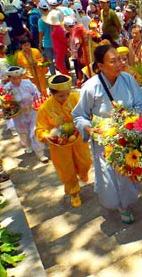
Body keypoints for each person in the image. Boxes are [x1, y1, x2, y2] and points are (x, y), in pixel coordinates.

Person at [72, 45, 142, 223]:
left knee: (127, 173)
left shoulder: (128, 80)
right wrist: (89, 129)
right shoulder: (91, 87)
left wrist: (130, 120)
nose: (120, 64)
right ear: (100, 66)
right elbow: (78, 115)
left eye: (120, 59)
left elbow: (141, 104)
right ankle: (115, 203)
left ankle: (126, 205)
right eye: (113, 61)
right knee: (109, 175)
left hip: (128, 136)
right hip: (105, 141)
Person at [36, 75, 92, 207]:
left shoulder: (76, 98)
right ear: (52, 93)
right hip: (59, 145)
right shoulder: (45, 108)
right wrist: (46, 136)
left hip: (78, 139)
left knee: (85, 161)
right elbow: (40, 129)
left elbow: (87, 113)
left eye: (67, 94)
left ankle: (83, 173)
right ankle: (74, 192)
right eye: (61, 96)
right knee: (66, 170)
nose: (65, 98)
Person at [3, 66, 48, 163]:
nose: (17, 80)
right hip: (19, 115)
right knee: (23, 132)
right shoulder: (7, 89)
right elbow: (5, 104)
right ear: (9, 78)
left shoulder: (28, 83)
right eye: (14, 78)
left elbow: (37, 94)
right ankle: (28, 145)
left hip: (32, 111)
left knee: (35, 131)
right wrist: (15, 108)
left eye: (19, 77)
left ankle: (40, 153)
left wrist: (34, 104)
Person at [41, 10, 69, 75]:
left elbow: (63, 40)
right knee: (59, 64)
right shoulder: (53, 28)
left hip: (61, 49)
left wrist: (67, 48)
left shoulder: (58, 29)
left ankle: (67, 75)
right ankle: (66, 75)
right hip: (57, 48)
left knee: (58, 64)